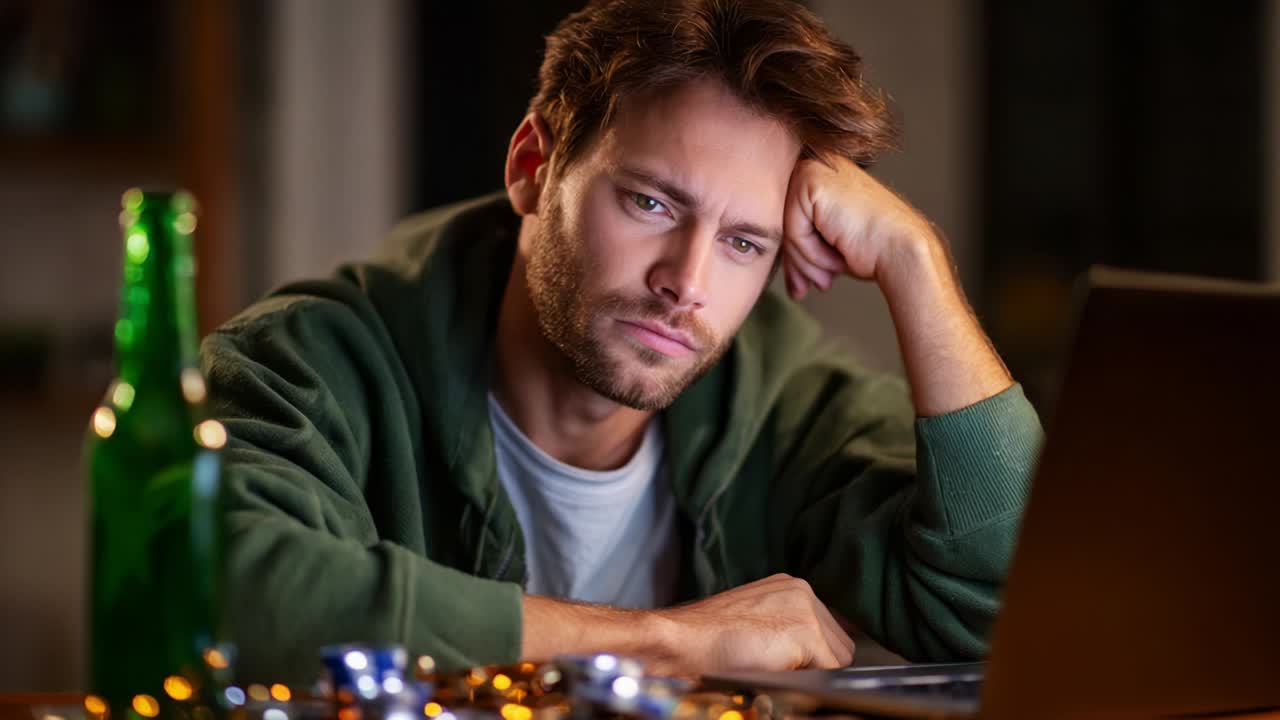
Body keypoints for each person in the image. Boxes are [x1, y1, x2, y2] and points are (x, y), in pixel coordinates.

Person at [202, 0, 1043, 681]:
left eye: (744, 241)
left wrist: (915, 262)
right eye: (651, 203)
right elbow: (227, 593)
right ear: (534, 165)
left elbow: (1011, 613)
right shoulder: (303, 364)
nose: (688, 281)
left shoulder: (786, 401)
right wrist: (667, 642)